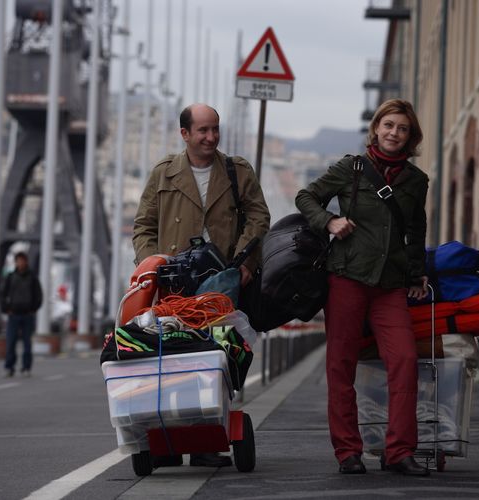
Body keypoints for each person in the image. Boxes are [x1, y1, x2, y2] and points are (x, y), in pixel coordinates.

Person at [295, 98, 431, 476]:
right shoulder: (351, 169)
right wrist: (329, 221)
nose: (394, 133)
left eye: (402, 128)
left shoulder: (416, 181)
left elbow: (415, 230)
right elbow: (305, 197)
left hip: (389, 285)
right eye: (388, 125)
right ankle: (347, 452)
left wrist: (417, 274)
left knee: (404, 361)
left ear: (410, 136)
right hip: (347, 279)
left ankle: (400, 451)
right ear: (376, 128)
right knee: (341, 366)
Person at [133, 103, 270, 468]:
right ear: (185, 134)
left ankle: (208, 442)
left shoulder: (237, 171)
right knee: (172, 357)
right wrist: (151, 265)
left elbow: (258, 218)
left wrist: (245, 262)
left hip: (223, 279)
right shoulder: (164, 174)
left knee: (214, 356)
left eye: (215, 129)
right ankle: (170, 441)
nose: (211, 137)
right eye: (202, 131)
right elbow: (143, 226)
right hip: (173, 281)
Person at [0, 251, 43, 378]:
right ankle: (9, 367)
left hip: (27, 315)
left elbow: (38, 295)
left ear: (26, 262)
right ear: (15, 262)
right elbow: (2, 294)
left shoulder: (32, 278)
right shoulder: (11, 277)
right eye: (18, 261)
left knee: (27, 343)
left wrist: (33, 309)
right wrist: (6, 308)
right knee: (11, 341)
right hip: (13, 314)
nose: (20, 263)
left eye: (22, 260)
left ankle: (26, 367)